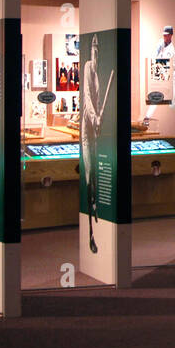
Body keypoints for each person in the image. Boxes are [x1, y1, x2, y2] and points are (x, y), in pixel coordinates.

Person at [81, 34, 111, 254]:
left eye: (98, 50)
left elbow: (99, 101)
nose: (95, 54)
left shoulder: (100, 73)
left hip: (95, 129)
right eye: (93, 50)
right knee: (89, 170)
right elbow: (88, 100)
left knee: (98, 175)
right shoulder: (87, 68)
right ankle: (90, 226)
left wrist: (100, 122)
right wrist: (94, 118)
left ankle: (96, 208)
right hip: (86, 127)